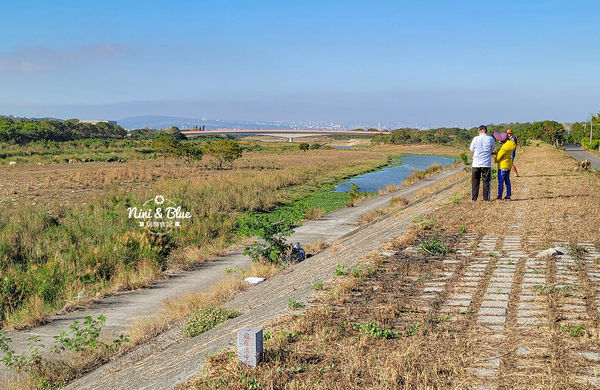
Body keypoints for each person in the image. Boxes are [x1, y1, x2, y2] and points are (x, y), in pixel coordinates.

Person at [469, 125, 495, 201]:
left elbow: (471, 149)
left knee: (475, 181)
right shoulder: (491, 138)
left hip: (476, 163)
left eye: (478, 131)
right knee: (486, 181)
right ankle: (486, 198)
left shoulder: (475, 139)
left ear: (480, 131)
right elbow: (492, 148)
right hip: (486, 163)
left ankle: (474, 198)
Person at [493, 131, 517, 200]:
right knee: (507, 181)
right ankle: (508, 195)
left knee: (501, 182)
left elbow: (498, 158)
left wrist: (495, 158)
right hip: (508, 166)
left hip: (502, 167)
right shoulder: (509, 145)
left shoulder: (503, 148)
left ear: (502, 140)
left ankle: (499, 196)